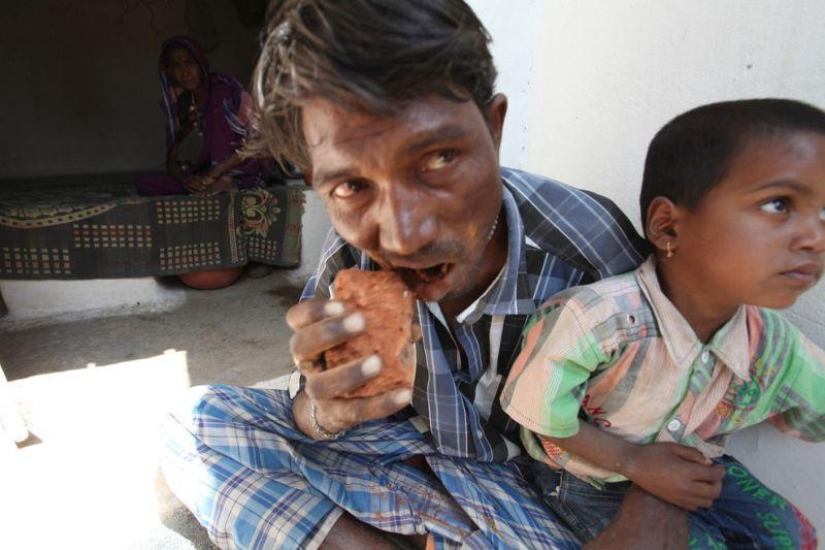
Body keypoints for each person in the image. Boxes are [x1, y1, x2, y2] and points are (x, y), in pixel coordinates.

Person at [159, 1, 654, 547]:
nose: (401, 236)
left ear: (494, 127)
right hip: (412, 457)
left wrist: (655, 502)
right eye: (351, 186)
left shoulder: (589, 250)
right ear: (317, 181)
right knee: (197, 421)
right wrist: (323, 411)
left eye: (439, 158)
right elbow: (316, 408)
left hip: (544, 490)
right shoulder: (351, 258)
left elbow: (683, 384)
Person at [501, 98, 825, 548]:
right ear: (668, 227)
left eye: (823, 214)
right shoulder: (596, 318)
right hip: (588, 475)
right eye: (777, 204)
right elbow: (537, 411)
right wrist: (632, 461)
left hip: (697, 466)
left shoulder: (772, 345)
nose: (814, 237)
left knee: (795, 535)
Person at [136, 35, 280, 196]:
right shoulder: (182, 103)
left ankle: (228, 181)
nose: (184, 72)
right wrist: (186, 180)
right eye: (176, 66)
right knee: (145, 183)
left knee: (218, 109)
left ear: (200, 64)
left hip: (245, 164)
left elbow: (254, 142)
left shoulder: (223, 90)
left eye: (189, 63)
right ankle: (210, 183)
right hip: (211, 172)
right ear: (169, 72)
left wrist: (214, 175)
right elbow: (171, 161)